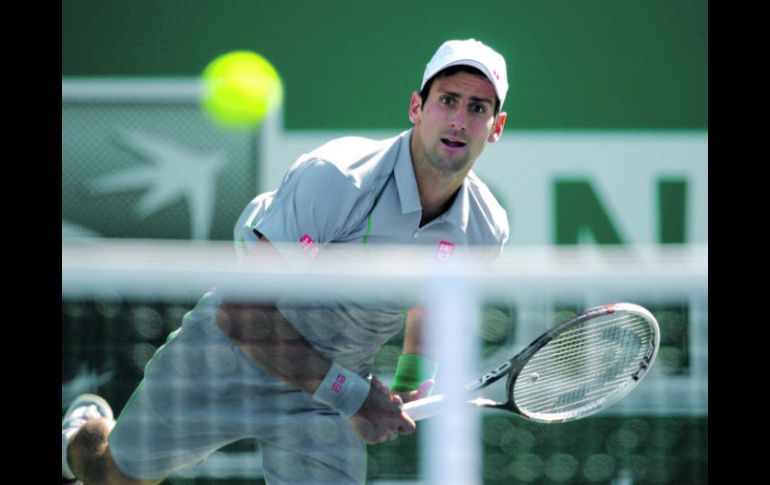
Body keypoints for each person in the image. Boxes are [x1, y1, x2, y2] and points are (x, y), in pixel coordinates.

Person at [62, 38, 510, 485]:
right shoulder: (337, 179)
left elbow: (430, 302)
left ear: (495, 127)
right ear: (416, 107)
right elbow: (242, 312)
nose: (458, 120)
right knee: (110, 475)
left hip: (323, 399)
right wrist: (353, 395)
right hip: (225, 359)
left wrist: (409, 381)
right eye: (448, 100)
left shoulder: (485, 229)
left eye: (477, 108)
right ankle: (74, 437)